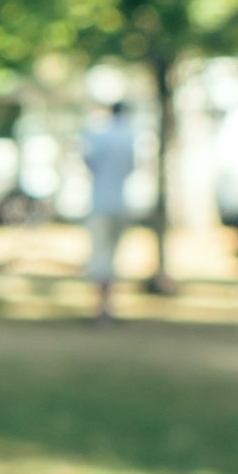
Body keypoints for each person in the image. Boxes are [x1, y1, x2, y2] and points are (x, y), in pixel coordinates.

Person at [79, 98, 140, 320]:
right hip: (120, 202)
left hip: (99, 202)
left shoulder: (98, 135)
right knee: (112, 257)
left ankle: (101, 308)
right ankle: (108, 307)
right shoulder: (129, 136)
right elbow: (131, 166)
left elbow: (88, 162)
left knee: (100, 256)